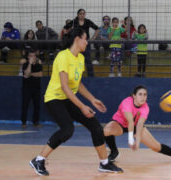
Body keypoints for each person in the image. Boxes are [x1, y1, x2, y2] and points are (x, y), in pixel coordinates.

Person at [29, 28, 123, 176]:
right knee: (67, 129)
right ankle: (39, 160)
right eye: (85, 39)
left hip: (68, 98)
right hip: (54, 98)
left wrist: (92, 100)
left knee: (95, 126)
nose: (87, 42)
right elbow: (65, 87)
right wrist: (82, 106)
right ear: (77, 40)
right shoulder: (63, 56)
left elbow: (77, 84)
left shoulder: (80, 58)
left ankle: (104, 163)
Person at [103, 85, 171, 162]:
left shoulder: (145, 107)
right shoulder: (127, 102)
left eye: (145, 95)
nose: (143, 97)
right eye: (140, 94)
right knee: (106, 131)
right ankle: (114, 152)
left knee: (156, 146)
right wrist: (131, 140)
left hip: (135, 126)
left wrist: (138, 141)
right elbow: (130, 121)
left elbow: (139, 125)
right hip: (120, 123)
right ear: (134, 96)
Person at [68, 9, 100, 77]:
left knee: (88, 60)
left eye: (83, 14)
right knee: (76, 60)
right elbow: (65, 28)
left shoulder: (87, 21)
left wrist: (93, 38)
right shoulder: (74, 22)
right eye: (80, 14)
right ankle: (76, 76)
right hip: (76, 44)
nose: (82, 15)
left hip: (85, 44)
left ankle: (91, 76)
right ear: (78, 15)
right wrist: (69, 36)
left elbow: (97, 29)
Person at [21, 49, 43, 127]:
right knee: (25, 105)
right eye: (30, 56)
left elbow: (40, 74)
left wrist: (30, 73)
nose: (32, 57)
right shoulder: (25, 64)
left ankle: (35, 122)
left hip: (36, 88)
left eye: (33, 56)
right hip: (26, 88)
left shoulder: (38, 65)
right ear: (28, 57)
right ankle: (24, 122)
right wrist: (30, 64)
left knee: (37, 105)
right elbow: (26, 75)